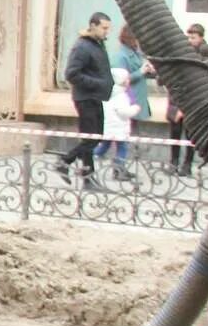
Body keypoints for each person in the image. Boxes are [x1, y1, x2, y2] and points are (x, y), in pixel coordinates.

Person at [59, 11, 113, 192]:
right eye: (104, 28)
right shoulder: (82, 46)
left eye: (108, 28)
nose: (107, 32)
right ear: (93, 25)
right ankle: (65, 161)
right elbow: (71, 74)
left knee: (94, 137)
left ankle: (87, 177)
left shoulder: (97, 45)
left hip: (96, 97)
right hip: (85, 98)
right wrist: (98, 84)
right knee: (91, 138)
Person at [96, 25, 152, 183]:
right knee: (118, 141)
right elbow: (119, 78)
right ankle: (110, 166)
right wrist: (141, 72)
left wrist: (148, 70)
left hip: (133, 99)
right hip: (125, 102)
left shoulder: (135, 54)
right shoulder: (121, 56)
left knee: (114, 140)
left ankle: (112, 165)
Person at [167, 23, 208, 176]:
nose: (190, 40)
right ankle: (173, 162)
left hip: (192, 103)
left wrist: (183, 108)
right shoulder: (181, 51)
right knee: (175, 134)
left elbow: (195, 82)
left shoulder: (204, 55)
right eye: (188, 37)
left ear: (201, 38)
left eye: (193, 37)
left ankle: (187, 165)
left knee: (191, 136)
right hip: (176, 99)